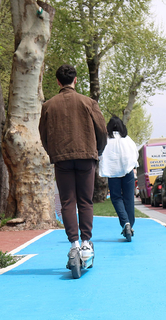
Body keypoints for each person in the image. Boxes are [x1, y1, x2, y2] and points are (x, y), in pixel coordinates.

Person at [39, 64, 107, 272]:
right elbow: (102, 131)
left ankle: (74, 245)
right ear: (75, 80)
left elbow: (43, 134)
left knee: (68, 201)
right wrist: (98, 151)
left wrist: (54, 152)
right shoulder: (89, 103)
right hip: (86, 156)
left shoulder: (49, 106)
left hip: (62, 159)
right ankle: (86, 243)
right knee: (85, 200)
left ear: (58, 82)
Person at [99, 116, 138, 242]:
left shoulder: (106, 140)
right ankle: (130, 224)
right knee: (129, 198)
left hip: (113, 173)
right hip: (127, 172)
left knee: (116, 198)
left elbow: (101, 155)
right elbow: (135, 154)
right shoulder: (127, 140)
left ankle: (125, 223)